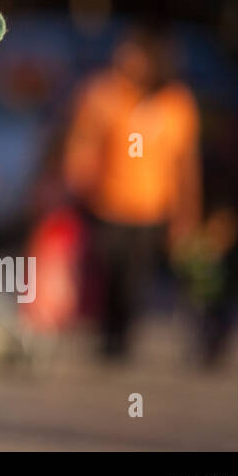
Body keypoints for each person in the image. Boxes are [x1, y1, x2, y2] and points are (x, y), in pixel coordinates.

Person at [61, 23, 201, 359]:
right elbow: (82, 141)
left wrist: (188, 213)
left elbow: (185, 164)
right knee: (107, 271)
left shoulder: (176, 104)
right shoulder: (102, 94)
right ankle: (107, 332)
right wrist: (74, 177)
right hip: (107, 204)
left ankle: (123, 334)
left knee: (134, 279)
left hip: (152, 207)